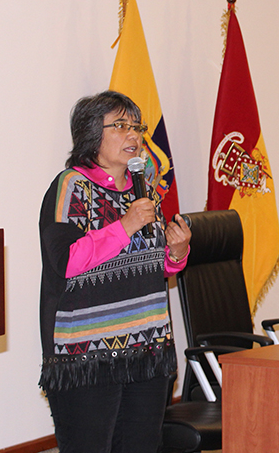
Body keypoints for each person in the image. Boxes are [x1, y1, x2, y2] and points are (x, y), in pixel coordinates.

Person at [38, 90, 191, 452]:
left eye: (136, 127)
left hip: (147, 349)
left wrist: (178, 252)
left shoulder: (144, 191)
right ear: (92, 134)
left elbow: (156, 269)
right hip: (89, 355)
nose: (134, 136)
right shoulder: (69, 187)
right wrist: (124, 226)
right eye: (120, 126)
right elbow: (66, 262)